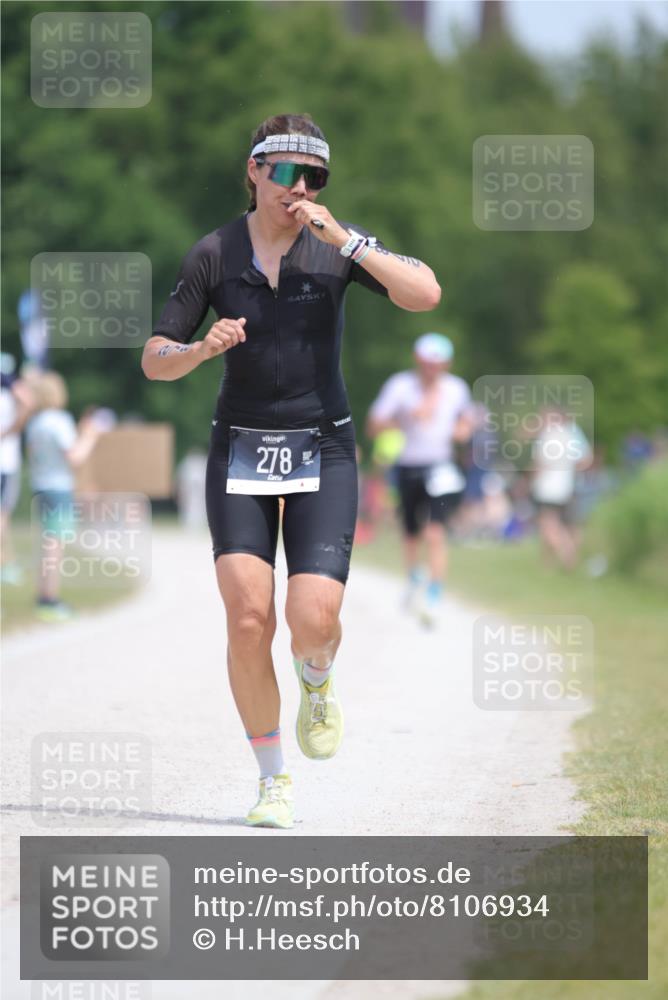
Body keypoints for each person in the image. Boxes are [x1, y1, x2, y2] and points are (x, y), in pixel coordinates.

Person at [141, 113, 441, 829]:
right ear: (253, 170)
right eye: (283, 171)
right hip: (239, 446)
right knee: (249, 618)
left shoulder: (334, 250)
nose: (298, 187)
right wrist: (199, 352)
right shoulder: (214, 253)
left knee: (314, 620)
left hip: (323, 446)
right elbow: (155, 360)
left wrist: (351, 240)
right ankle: (273, 780)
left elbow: (425, 294)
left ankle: (317, 675)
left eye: (313, 176)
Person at [366, 333, 472, 627]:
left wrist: (462, 430)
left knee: (436, 532)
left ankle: (435, 593)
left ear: (447, 364)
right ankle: (414, 578)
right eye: (427, 364)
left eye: (438, 364)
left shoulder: (456, 388)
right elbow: (373, 426)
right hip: (408, 466)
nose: (432, 370)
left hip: (441, 466)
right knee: (411, 531)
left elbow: (466, 419)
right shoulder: (400, 386)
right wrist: (405, 418)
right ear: (418, 360)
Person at [24, 372, 105, 621]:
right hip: (58, 487)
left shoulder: (35, 422)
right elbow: (75, 457)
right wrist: (91, 436)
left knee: (48, 543)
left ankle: (44, 595)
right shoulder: (58, 421)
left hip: (40, 485)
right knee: (54, 547)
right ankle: (49, 599)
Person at [530, 406, 592, 570]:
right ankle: (560, 558)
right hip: (566, 487)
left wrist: (531, 481)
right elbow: (584, 458)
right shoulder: (570, 435)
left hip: (547, 487)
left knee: (548, 526)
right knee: (562, 525)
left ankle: (567, 554)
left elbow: (539, 463)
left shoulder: (547, 435)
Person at [0, 356, 34, 584]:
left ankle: (8, 561)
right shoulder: (8, 396)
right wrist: (12, 429)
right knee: (2, 516)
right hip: (5, 462)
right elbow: (28, 401)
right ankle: (5, 565)